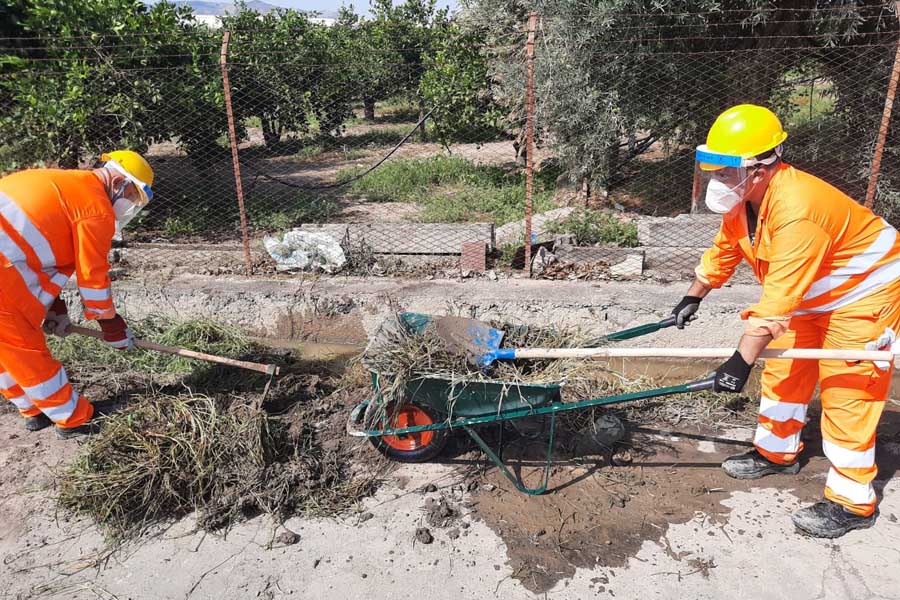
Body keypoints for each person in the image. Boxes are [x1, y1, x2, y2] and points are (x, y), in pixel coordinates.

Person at [673, 104, 900, 538]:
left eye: (725, 170)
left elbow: (777, 300)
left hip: (864, 295)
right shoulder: (744, 200)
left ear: (760, 167)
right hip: (813, 292)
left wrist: (738, 363)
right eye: (712, 168)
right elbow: (727, 248)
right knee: (784, 370)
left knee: (848, 390)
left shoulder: (798, 208)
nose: (716, 180)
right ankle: (776, 453)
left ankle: (853, 502)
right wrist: (694, 294)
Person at [0, 150, 154, 439]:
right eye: (133, 196)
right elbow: (92, 278)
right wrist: (111, 325)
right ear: (119, 182)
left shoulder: (66, 183)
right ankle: (73, 419)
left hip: (8, 266)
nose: (129, 205)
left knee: (5, 349)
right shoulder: (95, 207)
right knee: (24, 348)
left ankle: (32, 410)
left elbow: (42, 256)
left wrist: (55, 308)